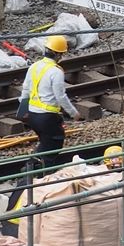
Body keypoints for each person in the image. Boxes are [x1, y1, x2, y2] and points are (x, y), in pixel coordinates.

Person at [19, 35, 80, 168]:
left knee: (45, 143)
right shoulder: (55, 72)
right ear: (59, 54)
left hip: (32, 115)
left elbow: (25, 89)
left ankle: (32, 166)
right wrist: (73, 113)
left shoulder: (34, 66)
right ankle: (36, 173)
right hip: (47, 117)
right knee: (54, 144)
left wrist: (22, 110)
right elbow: (61, 96)